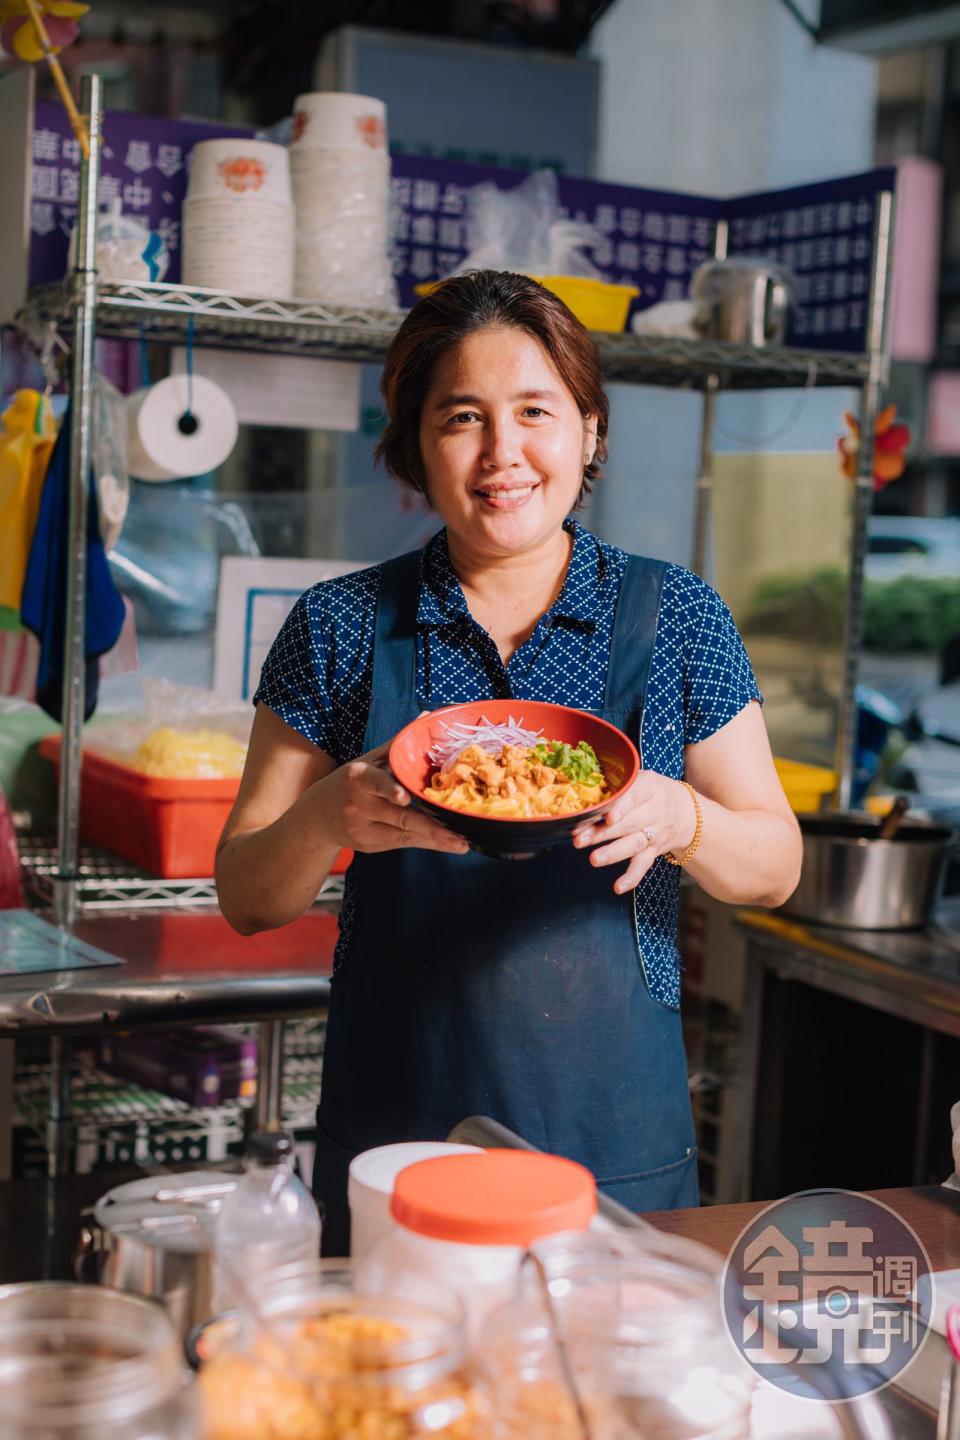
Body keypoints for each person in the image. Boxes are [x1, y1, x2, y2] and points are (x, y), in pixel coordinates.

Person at [216, 270, 803, 1252]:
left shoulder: (680, 618)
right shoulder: (339, 625)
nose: (504, 454)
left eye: (536, 410)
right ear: (414, 449)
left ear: (590, 431)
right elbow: (245, 891)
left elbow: (776, 866)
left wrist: (683, 819)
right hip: (399, 1137)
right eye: (461, 419)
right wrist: (327, 816)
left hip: (613, 1144)